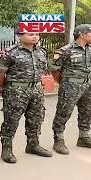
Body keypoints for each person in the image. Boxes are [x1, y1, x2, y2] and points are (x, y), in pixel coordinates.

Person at [0, 30, 52, 163]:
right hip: (16, 90)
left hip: (36, 89)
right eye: (31, 34)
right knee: (11, 120)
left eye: (37, 34)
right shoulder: (9, 53)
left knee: (36, 119)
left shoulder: (41, 51)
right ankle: (6, 150)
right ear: (20, 36)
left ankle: (33, 145)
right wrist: (9, 87)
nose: (35, 37)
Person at [51, 24, 91, 155]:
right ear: (82, 34)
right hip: (70, 86)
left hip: (87, 85)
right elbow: (55, 70)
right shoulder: (65, 50)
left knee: (87, 112)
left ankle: (84, 137)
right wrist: (64, 83)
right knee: (64, 112)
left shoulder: (90, 49)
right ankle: (58, 140)